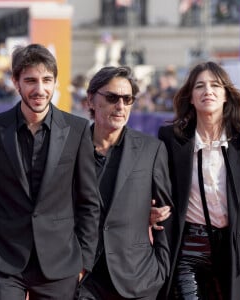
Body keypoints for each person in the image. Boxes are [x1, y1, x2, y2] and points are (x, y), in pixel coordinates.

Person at [0, 43, 100, 300]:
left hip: (60, 265)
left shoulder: (78, 130)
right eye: (30, 80)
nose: (40, 89)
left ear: (55, 82)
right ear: (16, 82)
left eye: (47, 80)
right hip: (1, 261)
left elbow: (89, 202)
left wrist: (83, 262)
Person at [156, 61, 240, 300]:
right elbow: (157, 186)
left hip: (233, 248)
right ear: (191, 97)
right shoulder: (172, 140)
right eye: (200, 86)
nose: (208, 91)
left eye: (215, 85)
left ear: (226, 95)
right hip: (188, 245)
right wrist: (152, 210)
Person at [75, 65, 173, 300]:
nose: (120, 106)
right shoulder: (70, 149)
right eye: (111, 98)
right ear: (91, 100)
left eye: (127, 99)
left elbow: (166, 214)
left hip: (138, 278)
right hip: (82, 279)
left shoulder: (151, 149)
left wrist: (160, 267)